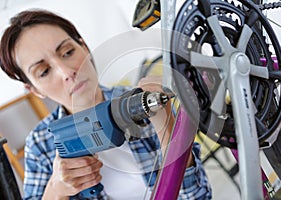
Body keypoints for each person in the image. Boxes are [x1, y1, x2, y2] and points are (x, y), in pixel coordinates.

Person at [0, 9, 212, 199]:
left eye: (68, 52)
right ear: (34, 89)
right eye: (44, 72)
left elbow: (198, 195)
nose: (67, 73)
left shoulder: (142, 101)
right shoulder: (40, 144)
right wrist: (56, 189)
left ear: (84, 46)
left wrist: (167, 129)